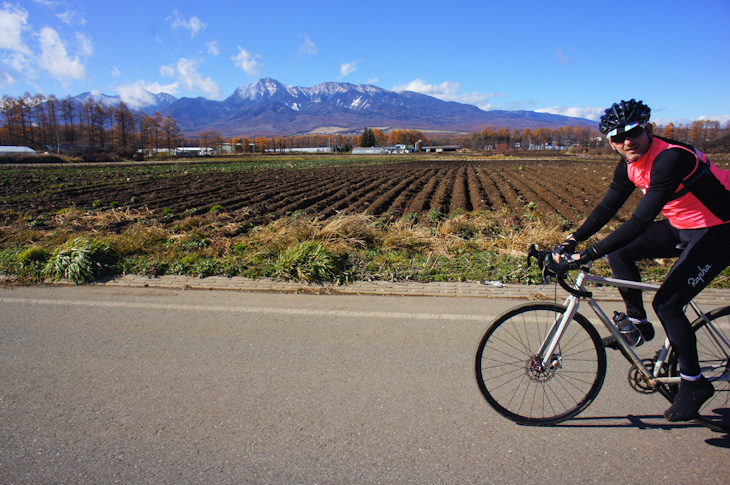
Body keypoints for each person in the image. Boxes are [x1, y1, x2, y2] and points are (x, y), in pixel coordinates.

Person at [553, 99, 730, 422]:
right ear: (609, 142)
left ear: (647, 129)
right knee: (620, 252)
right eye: (616, 139)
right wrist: (572, 240)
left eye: (632, 133)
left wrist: (588, 254)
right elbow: (607, 208)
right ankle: (637, 323)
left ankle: (694, 384)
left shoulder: (670, 158)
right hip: (683, 226)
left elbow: (640, 221)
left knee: (668, 303)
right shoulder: (629, 163)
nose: (626, 143)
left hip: (719, 228)